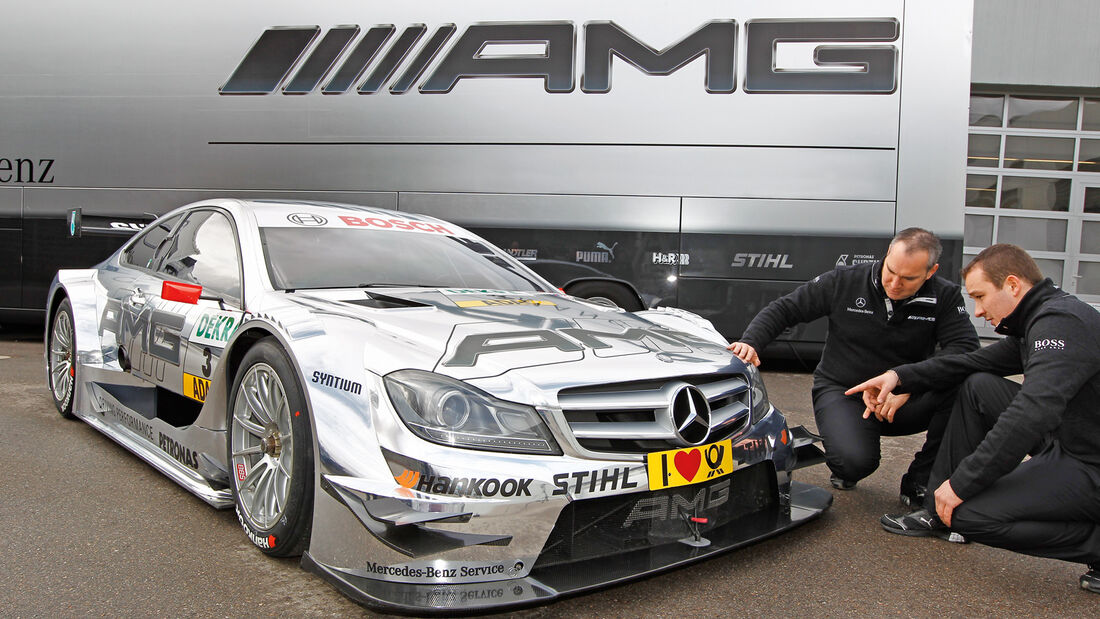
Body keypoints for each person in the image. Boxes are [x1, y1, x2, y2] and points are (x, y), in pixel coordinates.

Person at [847, 244, 1100, 593]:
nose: (978, 311)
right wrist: (900, 376)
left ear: (1012, 285)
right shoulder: (1037, 320)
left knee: (968, 515)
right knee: (978, 385)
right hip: (1075, 436)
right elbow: (972, 363)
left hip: (1090, 461)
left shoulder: (1061, 323)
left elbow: (1031, 411)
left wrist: (961, 485)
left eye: (981, 297)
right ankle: (934, 511)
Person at [729, 228, 979, 507]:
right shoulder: (845, 281)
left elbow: (965, 349)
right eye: (891, 271)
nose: (895, 284)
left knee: (968, 386)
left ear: (930, 272)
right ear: (886, 256)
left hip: (904, 397)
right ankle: (848, 459)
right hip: (845, 391)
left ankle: (921, 478)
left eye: (908, 278)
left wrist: (910, 384)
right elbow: (786, 309)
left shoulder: (945, 296)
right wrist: (751, 342)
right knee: (854, 463)